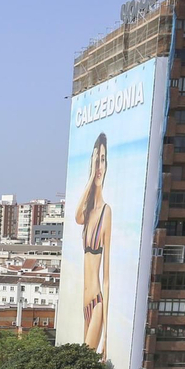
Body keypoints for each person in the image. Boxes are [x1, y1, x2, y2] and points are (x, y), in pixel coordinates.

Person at [74, 132, 112, 354]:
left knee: (86, 358)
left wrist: (107, 334)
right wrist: (91, 178)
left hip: (96, 301)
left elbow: (106, 278)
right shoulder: (88, 213)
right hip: (84, 301)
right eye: (97, 159)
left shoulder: (107, 213)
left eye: (103, 159)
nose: (100, 165)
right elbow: (77, 217)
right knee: (81, 358)